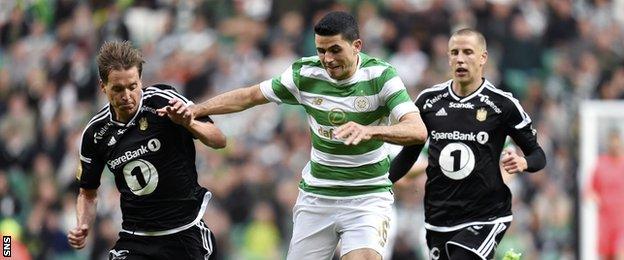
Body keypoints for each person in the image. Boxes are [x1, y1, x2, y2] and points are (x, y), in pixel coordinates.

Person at [168, 11, 428, 260]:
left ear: (357, 45)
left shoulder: (381, 77)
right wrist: (196, 108)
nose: (327, 58)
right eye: (321, 50)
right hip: (317, 196)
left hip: (367, 196)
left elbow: (417, 130)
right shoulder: (305, 74)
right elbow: (249, 96)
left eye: (335, 49)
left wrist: (370, 130)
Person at [389, 28, 546, 260]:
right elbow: (408, 155)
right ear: (448, 58)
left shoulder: (502, 105)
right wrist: (381, 182)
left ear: (483, 58)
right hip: (439, 217)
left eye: (468, 52)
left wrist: (523, 162)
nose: (460, 58)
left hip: (487, 216)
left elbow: (538, 155)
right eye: (454, 52)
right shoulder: (428, 101)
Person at [67, 41, 226, 260]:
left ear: (140, 80)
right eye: (118, 89)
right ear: (103, 86)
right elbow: (87, 193)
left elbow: (219, 140)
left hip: (184, 234)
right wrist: (83, 224)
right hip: (136, 239)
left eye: (133, 86)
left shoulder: (163, 101)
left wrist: (189, 122)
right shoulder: (96, 133)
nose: (127, 96)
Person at [587, 130, 624, 260]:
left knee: (620, 254)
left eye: (617, 145)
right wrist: (595, 198)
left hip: (622, 222)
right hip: (605, 222)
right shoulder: (601, 164)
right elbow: (589, 190)